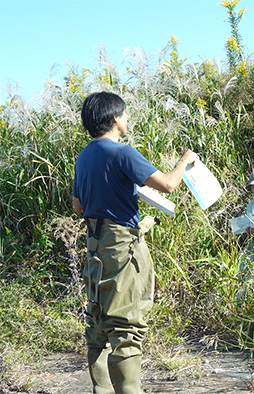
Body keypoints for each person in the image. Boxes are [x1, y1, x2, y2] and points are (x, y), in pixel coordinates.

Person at [72, 92, 198, 393]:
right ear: (115, 119)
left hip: (94, 244)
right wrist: (185, 160)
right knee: (126, 324)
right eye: (125, 115)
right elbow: (168, 184)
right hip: (122, 246)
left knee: (99, 321)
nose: (127, 120)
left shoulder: (84, 156)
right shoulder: (122, 153)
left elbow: (78, 206)